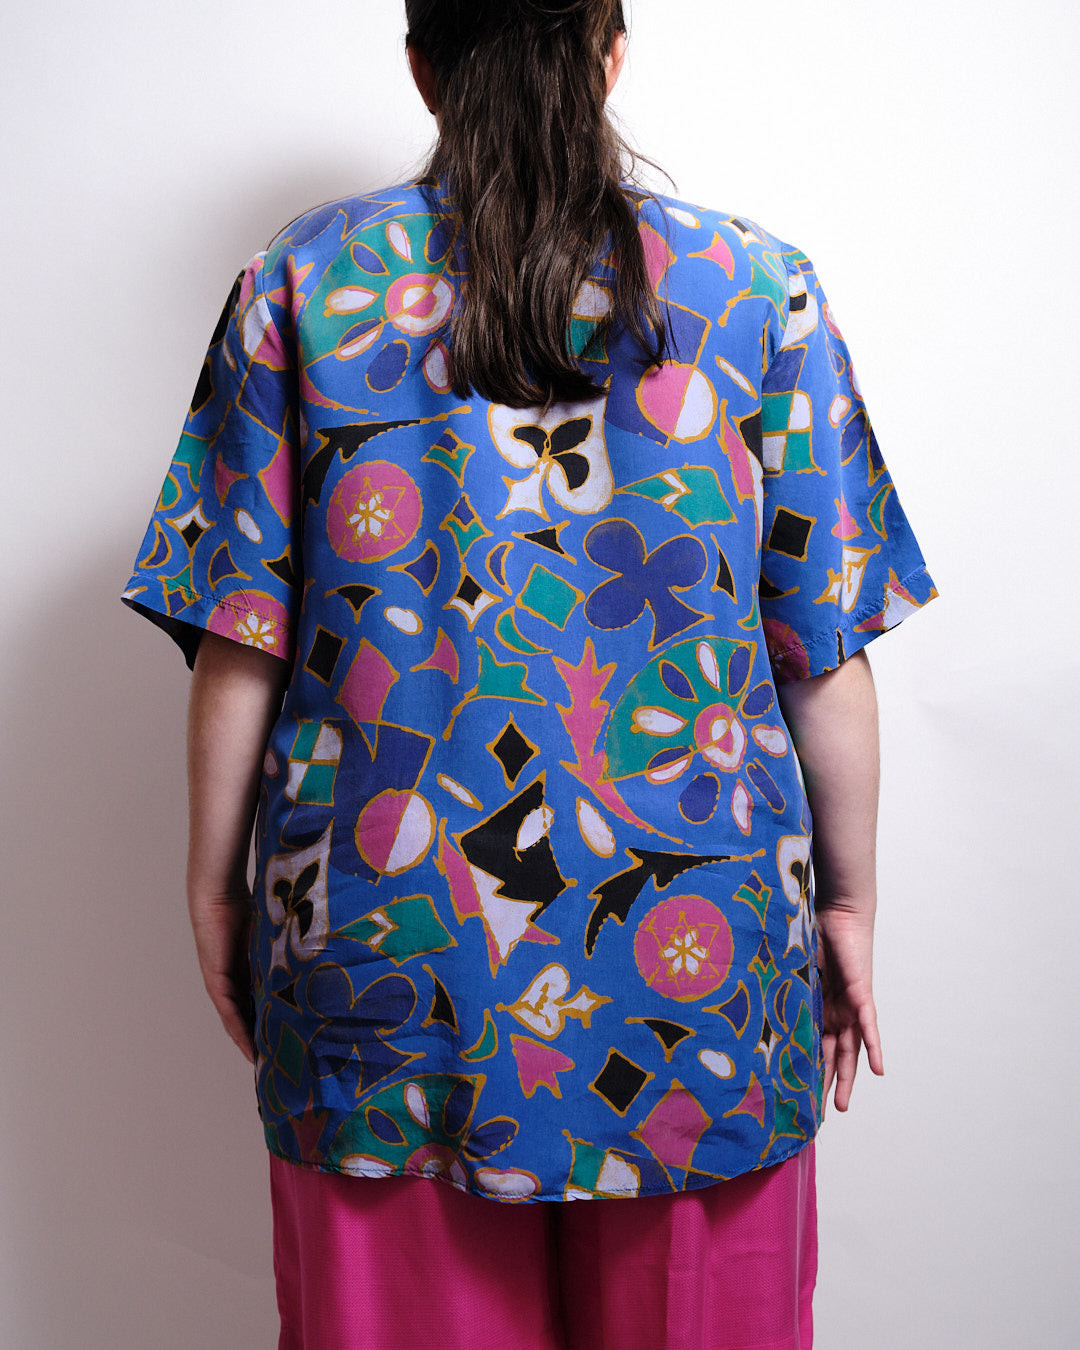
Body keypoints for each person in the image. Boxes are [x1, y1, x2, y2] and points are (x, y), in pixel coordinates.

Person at [122, 1, 937, 1345]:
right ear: (612, 52)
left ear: (423, 67)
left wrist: (213, 888)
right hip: (697, 966)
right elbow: (822, 649)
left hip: (387, 944)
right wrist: (847, 899)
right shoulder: (756, 287)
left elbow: (240, 634)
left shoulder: (302, 282)